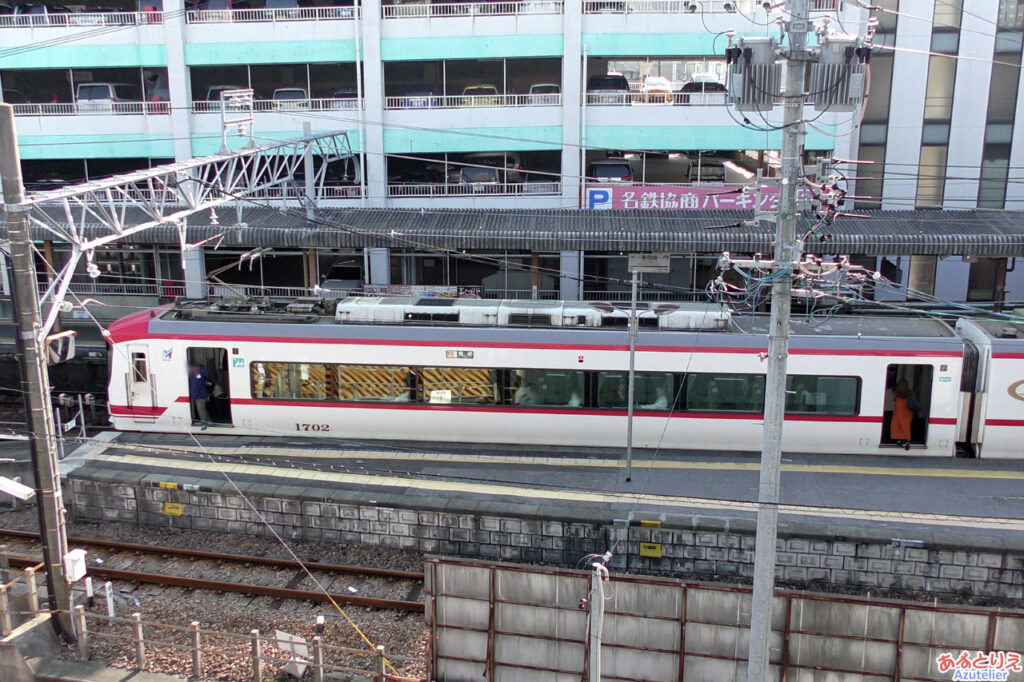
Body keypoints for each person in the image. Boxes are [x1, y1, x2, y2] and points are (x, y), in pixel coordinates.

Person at [890, 378, 914, 450]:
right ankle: (906, 440)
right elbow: (913, 399)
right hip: (908, 411)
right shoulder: (910, 392)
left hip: (898, 411)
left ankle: (899, 440)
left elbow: (894, 399)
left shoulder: (896, 393)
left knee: (897, 425)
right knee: (906, 425)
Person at [188, 361, 213, 429]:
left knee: (200, 408)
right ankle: (208, 420)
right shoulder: (192, 373)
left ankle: (204, 423)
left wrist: (206, 390)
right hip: (194, 393)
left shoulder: (203, 372)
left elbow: (209, 382)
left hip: (201, 393)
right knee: (202, 408)